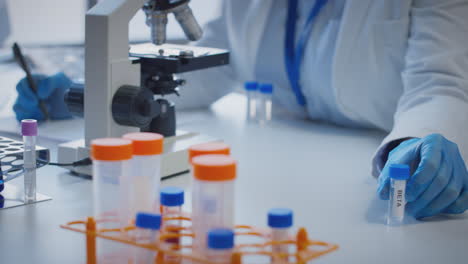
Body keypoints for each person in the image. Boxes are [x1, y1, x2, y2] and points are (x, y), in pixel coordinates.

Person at [12, 0, 468, 218]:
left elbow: (439, 83)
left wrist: (418, 139)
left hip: (366, 171)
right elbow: (204, 66)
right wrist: (91, 91)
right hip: (272, 179)